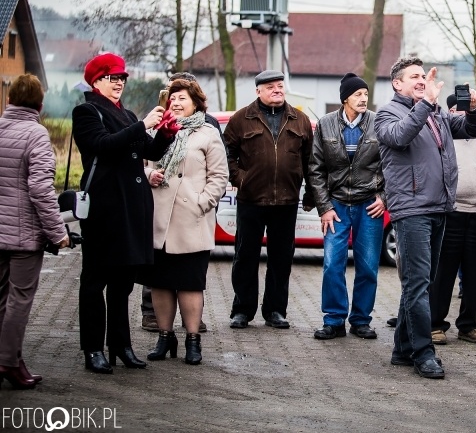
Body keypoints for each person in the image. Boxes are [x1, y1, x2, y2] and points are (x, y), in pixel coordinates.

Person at [376, 56, 476, 379]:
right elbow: (399, 136)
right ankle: (424, 353)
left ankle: (402, 349)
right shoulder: (387, 113)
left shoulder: (436, 113)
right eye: (414, 77)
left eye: (424, 76)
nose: (422, 80)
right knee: (418, 284)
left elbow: (471, 129)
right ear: (398, 84)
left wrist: (474, 107)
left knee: (420, 284)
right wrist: (426, 104)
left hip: (439, 207)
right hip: (411, 210)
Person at [73, 53, 176, 374]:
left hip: (132, 210)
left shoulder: (127, 113)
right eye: (112, 78)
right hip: (104, 210)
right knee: (95, 282)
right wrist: (141, 125)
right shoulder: (86, 111)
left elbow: (151, 151)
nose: (119, 83)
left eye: (122, 78)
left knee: (123, 284)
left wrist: (165, 132)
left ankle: (121, 345)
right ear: (96, 81)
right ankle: (93, 349)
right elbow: (103, 145)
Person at [139, 79, 228, 365]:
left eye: (182, 99)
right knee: (161, 284)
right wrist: (149, 175)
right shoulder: (157, 131)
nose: (175, 103)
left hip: (192, 219)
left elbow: (219, 178)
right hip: (159, 220)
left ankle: (192, 340)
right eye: (172, 99)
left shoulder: (208, 133)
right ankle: (165, 337)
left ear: (196, 103)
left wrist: (201, 203)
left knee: (190, 284)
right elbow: (144, 165)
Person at [224, 70, 314, 329]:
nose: (277, 90)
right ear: (258, 91)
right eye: (271, 86)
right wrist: (240, 178)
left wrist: (310, 194)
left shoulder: (300, 120)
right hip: (250, 200)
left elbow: (311, 161)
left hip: (286, 201)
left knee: (281, 257)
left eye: (280, 86)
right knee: (245, 255)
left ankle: (275, 310)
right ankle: (242, 309)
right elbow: (226, 151)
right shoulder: (241, 118)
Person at [0, 74, 69, 389]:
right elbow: (41, 188)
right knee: (20, 299)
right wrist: (58, 232)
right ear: (40, 104)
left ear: (10, 99)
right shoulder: (36, 134)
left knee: (2, 299)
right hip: (24, 236)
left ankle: (10, 359)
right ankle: (8, 363)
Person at [307, 73, 385, 340]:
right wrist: (324, 207)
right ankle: (334, 320)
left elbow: (391, 165)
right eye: (357, 95)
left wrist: (383, 197)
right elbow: (315, 169)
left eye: (365, 94)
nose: (363, 99)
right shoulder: (326, 125)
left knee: (368, 266)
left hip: (369, 204)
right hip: (336, 205)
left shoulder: (379, 123)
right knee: (332, 264)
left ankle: (361, 320)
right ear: (345, 99)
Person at [429, 94, 476, 346]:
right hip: (450, 214)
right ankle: (435, 324)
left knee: (474, 275)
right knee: (443, 273)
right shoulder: (441, 134)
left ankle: (469, 325)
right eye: (454, 110)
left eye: (464, 109)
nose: (459, 114)